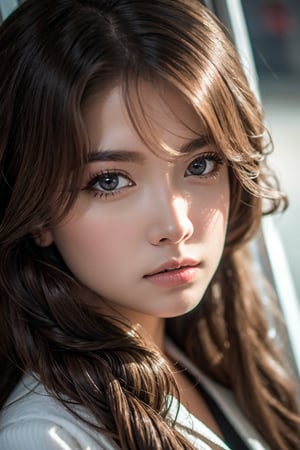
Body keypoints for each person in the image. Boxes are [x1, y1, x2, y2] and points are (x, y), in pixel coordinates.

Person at [0, 0, 299, 449]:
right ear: (38, 210)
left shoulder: (216, 359)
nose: (174, 224)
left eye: (200, 165)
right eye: (110, 180)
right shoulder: (45, 437)